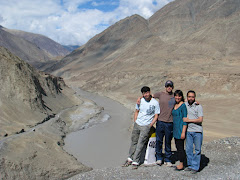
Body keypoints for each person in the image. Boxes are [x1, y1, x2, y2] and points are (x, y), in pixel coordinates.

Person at [122, 86, 160, 169]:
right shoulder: (140, 101)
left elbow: (156, 115)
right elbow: (137, 111)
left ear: (150, 92)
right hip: (137, 124)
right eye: (144, 93)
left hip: (146, 126)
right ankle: (130, 159)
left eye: (147, 92)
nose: (146, 94)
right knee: (134, 142)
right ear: (142, 94)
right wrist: (135, 121)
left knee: (140, 144)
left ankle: (136, 161)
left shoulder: (155, 103)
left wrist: (150, 125)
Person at [154, 80, 175, 166]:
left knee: (168, 141)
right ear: (165, 87)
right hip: (160, 121)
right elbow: (149, 96)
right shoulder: (160, 94)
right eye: (167, 86)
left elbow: (183, 101)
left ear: (172, 87)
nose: (169, 87)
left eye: (170, 86)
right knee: (159, 140)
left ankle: (168, 159)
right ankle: (159, 158)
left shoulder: (175, 96)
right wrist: (139, 98)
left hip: (170, 122)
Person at [184, 90, 204, 174]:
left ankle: (195, 167)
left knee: (197, 149)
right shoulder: (185, 105)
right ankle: (190, 165)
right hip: (188, 131)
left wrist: (189, 120)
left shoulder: (198, 106)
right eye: (189, 97)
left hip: (197, 131)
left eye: (192, 97)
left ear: (194, 97)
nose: (191, 98)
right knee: (188, 149)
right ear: (187, 97)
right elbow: (176, 99)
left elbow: (200, 119)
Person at [172, 90, 187, 171]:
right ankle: (182, 162)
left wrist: (183, 132)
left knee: (180, 147)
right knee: (178, 146)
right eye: (176, 96)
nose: (177, 97)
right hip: (175, 129)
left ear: (182, 97)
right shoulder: (175, 104)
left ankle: (182, 164)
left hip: (181, 129)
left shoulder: (183, 106)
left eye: (179, 96)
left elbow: (185, 119)